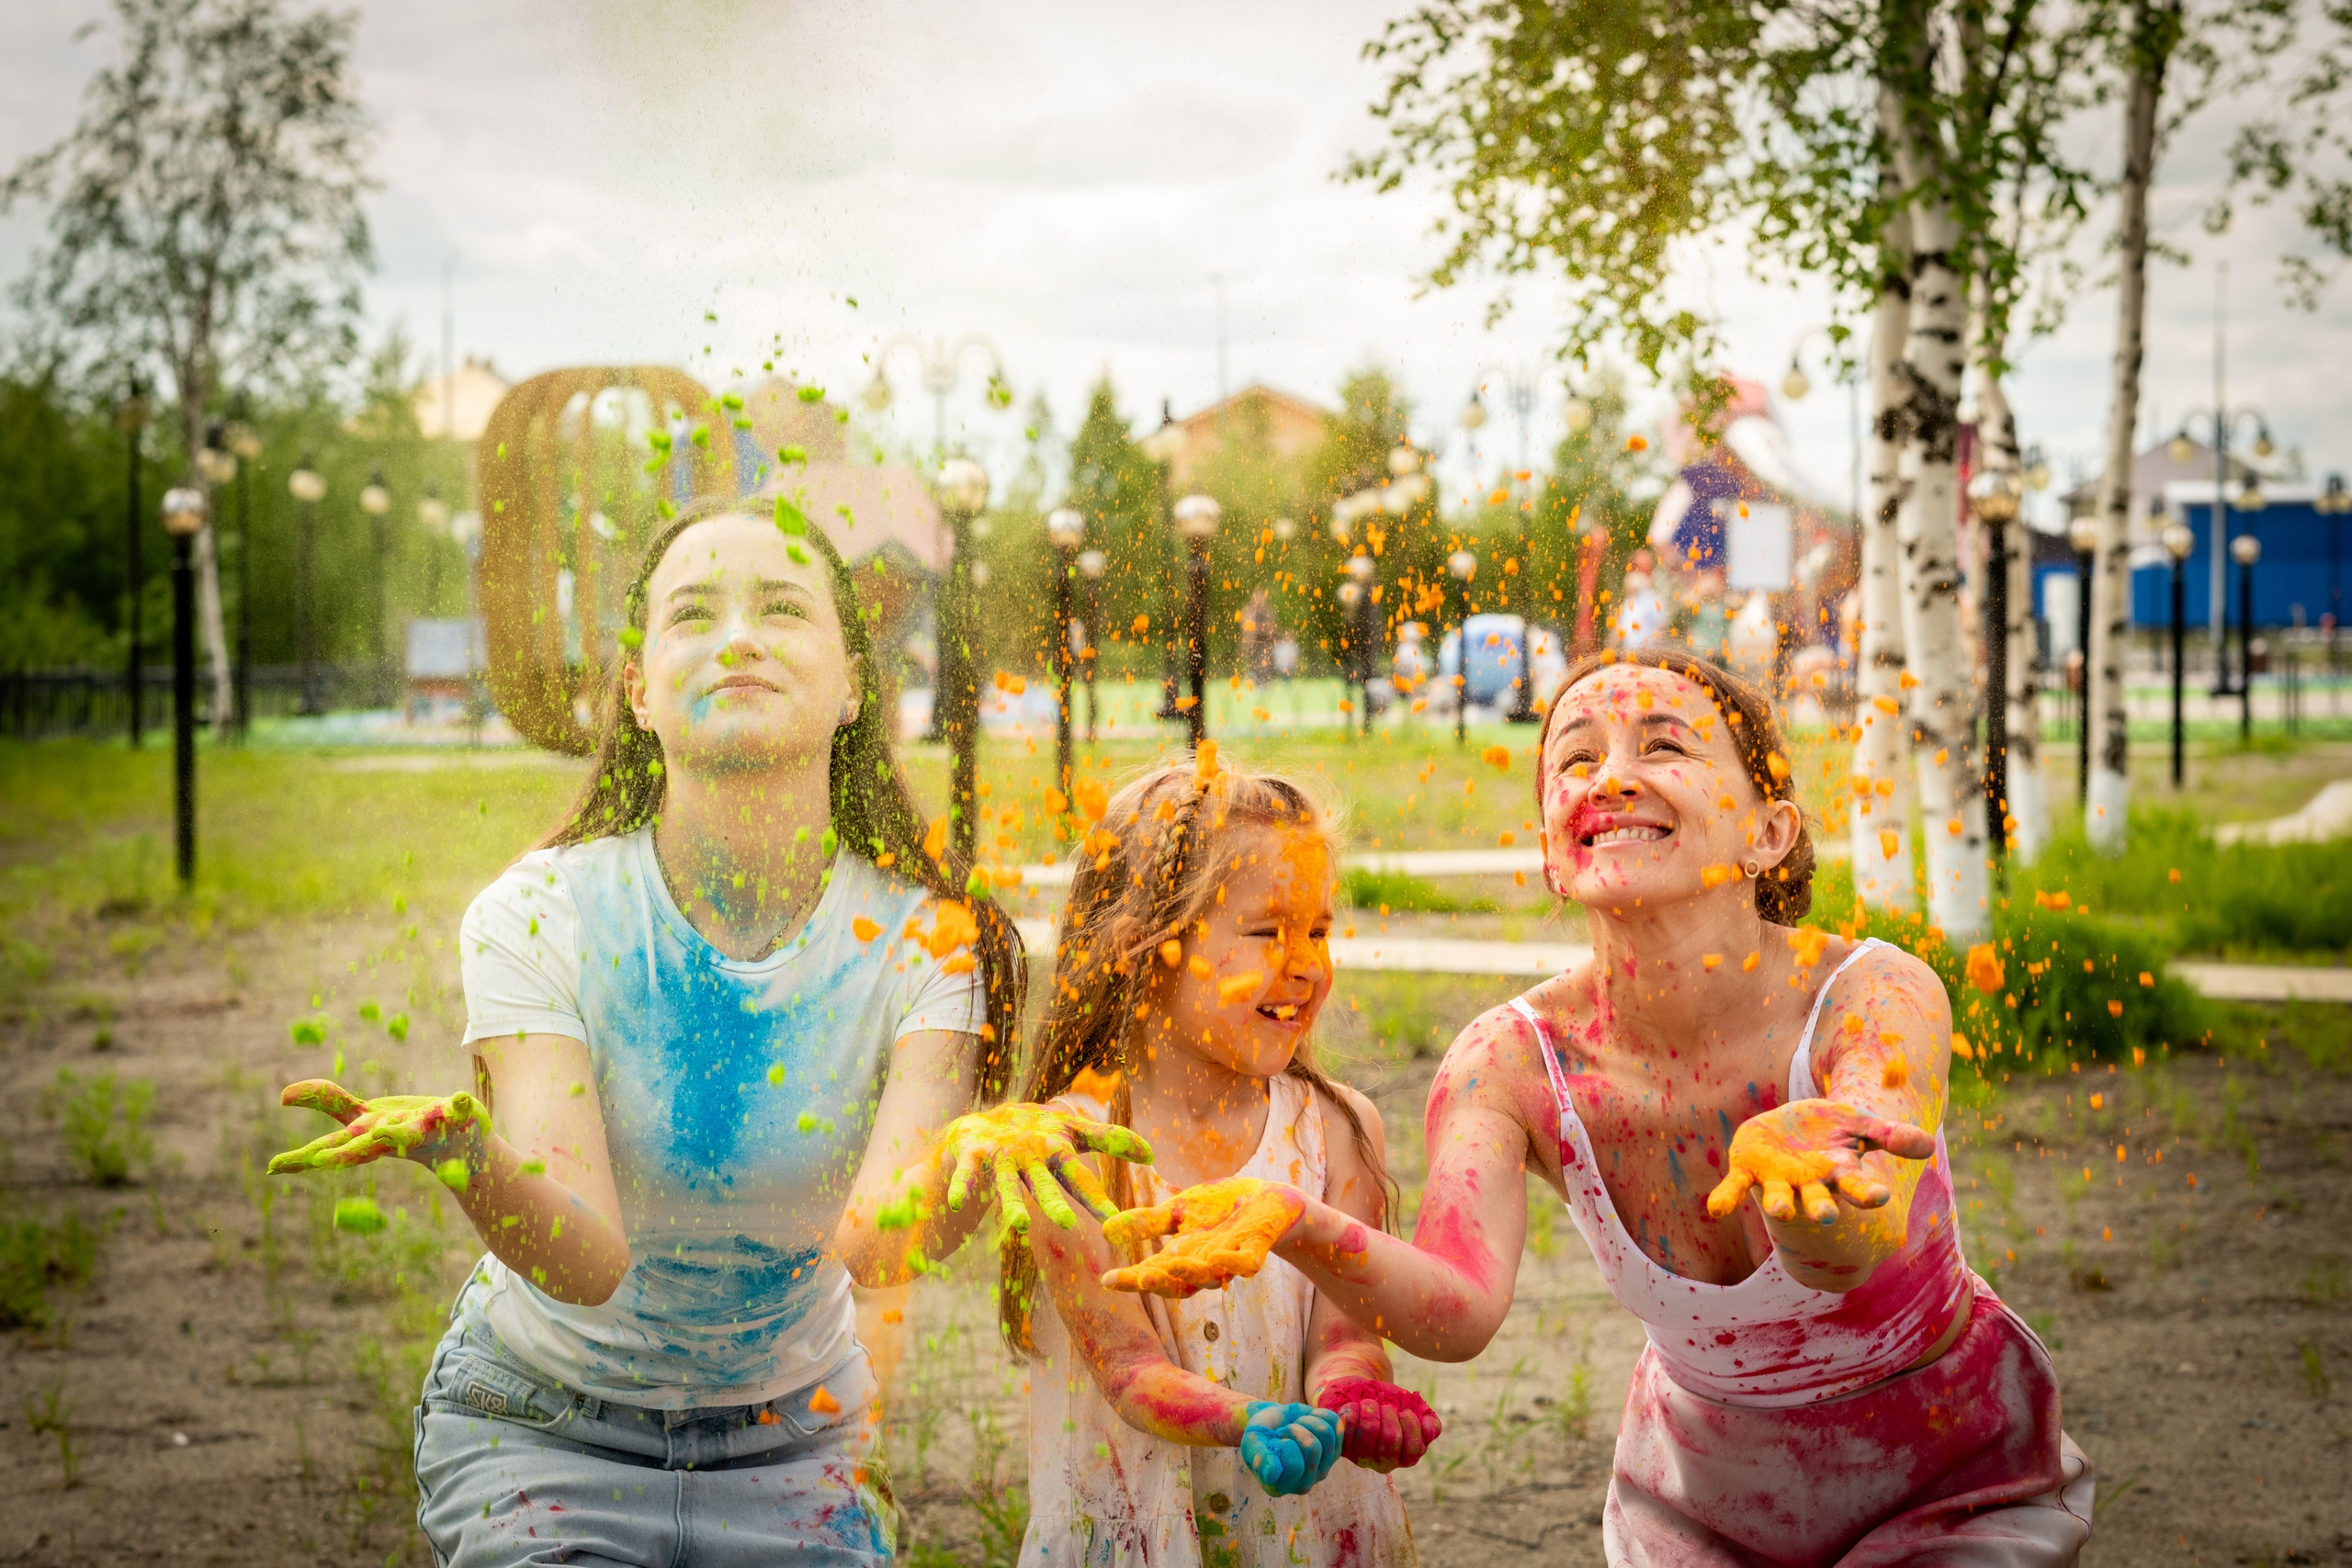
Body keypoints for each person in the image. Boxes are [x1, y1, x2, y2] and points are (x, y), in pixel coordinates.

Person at [266, 492, 1150, 1567]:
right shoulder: (537, 913)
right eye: (691, 615)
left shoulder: (936, 941)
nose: (737, 637)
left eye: (781, 608)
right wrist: (468, 1158)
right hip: (541, 1431)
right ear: (637, 692)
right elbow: (587, 1260)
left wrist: (980, 1161)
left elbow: (879, 1246)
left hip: (795, 1447)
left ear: (852, 686)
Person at [1100, 649, 2094, 1567]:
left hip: (1949, 1480)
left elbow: (1854, 1249)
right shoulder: (1505, 1061)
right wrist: (1293, 1219)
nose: (1609, 777)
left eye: (1663, 745)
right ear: (1548, 850)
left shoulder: (1873, 996)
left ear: (1768, 829)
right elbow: (1455, 1313)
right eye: (1574, 759)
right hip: (1696, 1512)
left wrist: (1815, 1178)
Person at [1006, 747, 1435, 1567]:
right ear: (1143, 948)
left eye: (1318, 929)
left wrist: (1352, 1395)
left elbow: (1343, 1333)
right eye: (1269, 930)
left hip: (1310, 1538)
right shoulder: (1067, 1149)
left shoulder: (1340, 1131)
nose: (1306, 963)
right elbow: (1128, 1368)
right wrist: (1245, 1419)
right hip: (1142, 1533)